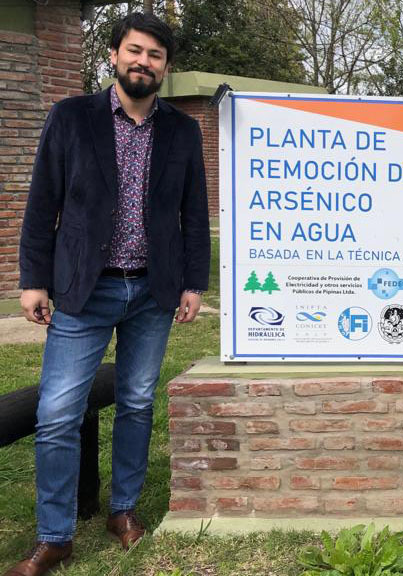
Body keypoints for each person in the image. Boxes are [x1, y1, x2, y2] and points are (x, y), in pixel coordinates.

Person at [8, 12, 209, 576]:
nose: (144, 62)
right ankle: (55, 536)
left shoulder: (183, 130)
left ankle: (122, 511)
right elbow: (42, 201)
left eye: (156, 55)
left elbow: (193, 212)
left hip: (152, 290)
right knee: (56, 414)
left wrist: (194, 281)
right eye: (135, 51)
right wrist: (33, 279)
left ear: (166, 67)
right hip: (83, 289)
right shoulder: (71, 118)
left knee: (139, 402)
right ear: (115, 55)